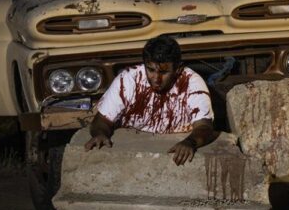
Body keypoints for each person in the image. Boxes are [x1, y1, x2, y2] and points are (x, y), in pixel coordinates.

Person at [84, 35, 217, 165]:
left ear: (178, 69)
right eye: (151, 70)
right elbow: (101, 120)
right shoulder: (129, 79)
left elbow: (204, 126)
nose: (156, 78)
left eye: (164, 72)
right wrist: (100, 134)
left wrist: (190, 143)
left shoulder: (192, 82)